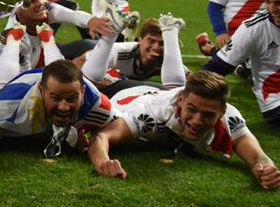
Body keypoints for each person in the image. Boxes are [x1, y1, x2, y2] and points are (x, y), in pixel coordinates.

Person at [89, 71, 280, 190]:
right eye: (192, 110)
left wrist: (266, 170)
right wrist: (104, 162)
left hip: (160, 91)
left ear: (221, 112)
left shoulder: (229, 116)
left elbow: (258, 157)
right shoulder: (150, 114)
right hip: (125, 94)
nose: (197, 121)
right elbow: (102, 136)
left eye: (208, 115)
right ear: (181, 101)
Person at [0, 59, 117, 156]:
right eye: (56, 98)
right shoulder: (6, 106)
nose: (63, 107)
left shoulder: (96, 104)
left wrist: (96, 140)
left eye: (71, 99)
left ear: (82, 92)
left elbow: (120, 125)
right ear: (42, 91)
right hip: (17, 89)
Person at [0, 0, 116, 91]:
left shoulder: (45, 8)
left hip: (41, 57)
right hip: (23, 71)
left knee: (89, 46)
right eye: (31, 1)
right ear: (16, 9)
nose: (40, 3)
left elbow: (73, 15)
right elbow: (21, 85)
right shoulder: (15, 39)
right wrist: (78, 73)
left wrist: (92, 21)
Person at [203, 0, 280, 126]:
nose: (272, 9)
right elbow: (216, 68)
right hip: (276, 103)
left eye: (279, 3)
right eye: (267, 2)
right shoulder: (253, 28)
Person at [79, 15, 188, 94]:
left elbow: (188, 79)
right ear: (140, 40)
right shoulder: (120, 52)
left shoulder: (164, 59)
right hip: (85, 48)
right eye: (151, 41)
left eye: (162, 43)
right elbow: (82, 60)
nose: (156, 47)